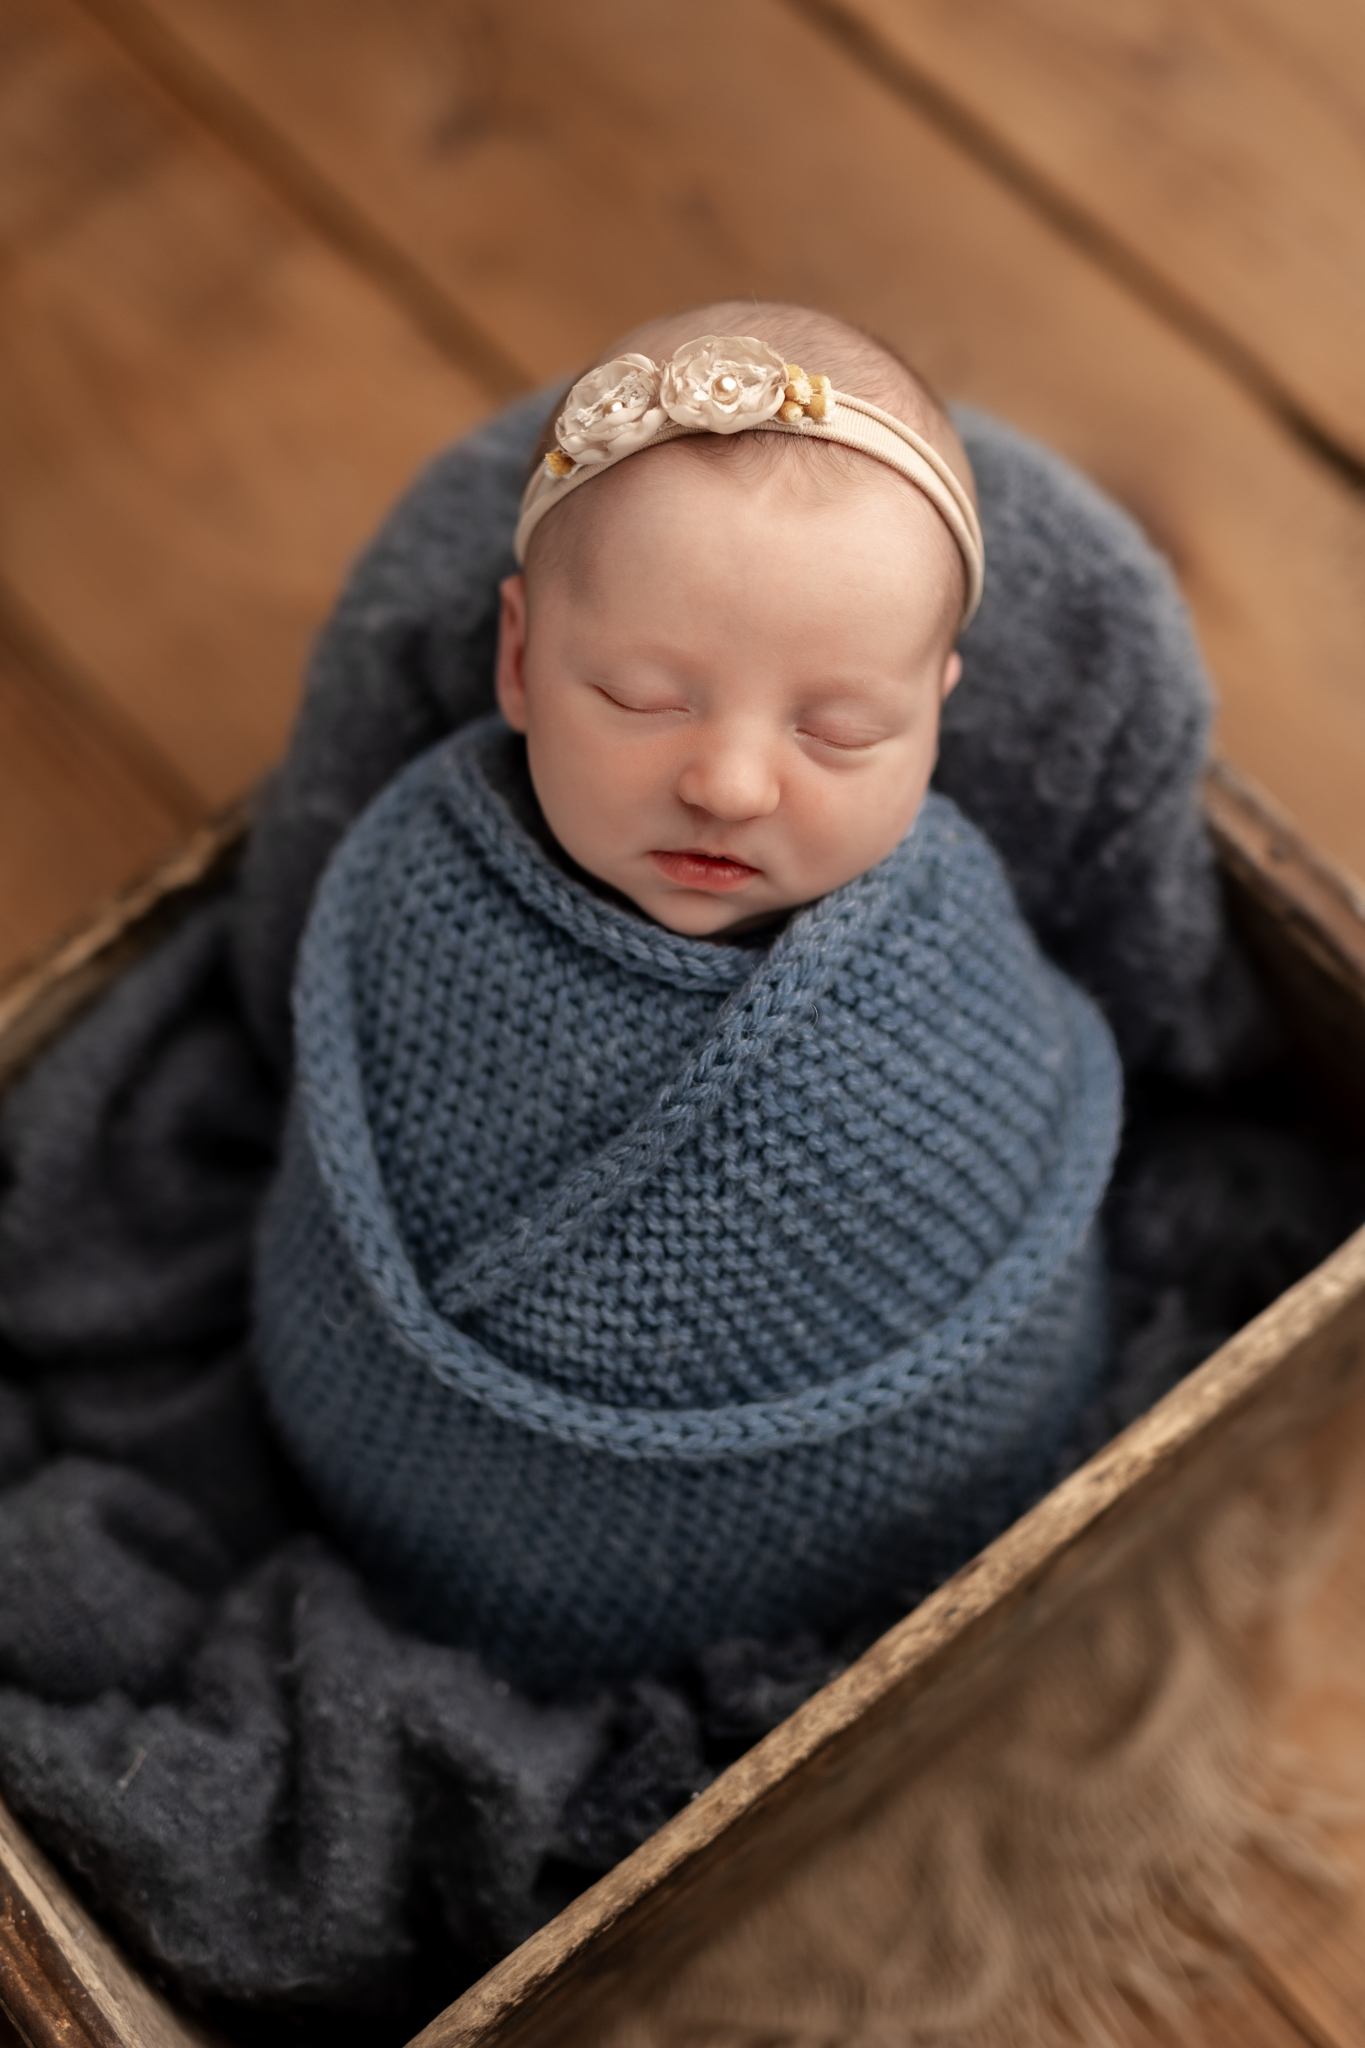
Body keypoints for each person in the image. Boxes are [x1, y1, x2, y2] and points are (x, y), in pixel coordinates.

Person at [254, 304, 1122, 1694]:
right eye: (643, 697)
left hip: (904, 1525)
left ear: (936, 710)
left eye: (836, 729)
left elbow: (1011, 1174)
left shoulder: (943, 935)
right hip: (407, 1499)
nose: (726, 781)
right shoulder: (418, 887)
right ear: (519, 659)